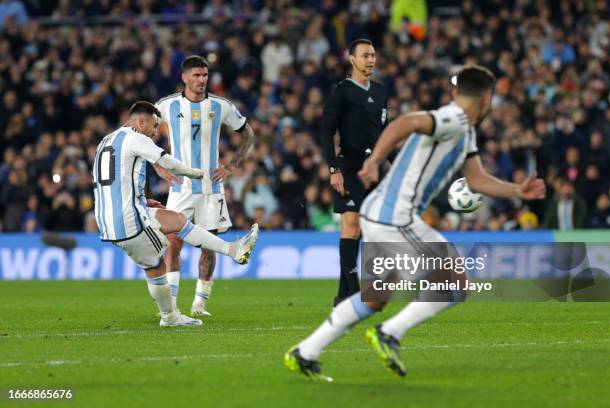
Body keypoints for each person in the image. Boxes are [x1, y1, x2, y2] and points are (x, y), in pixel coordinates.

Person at [285, 65, 546, 381]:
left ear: (455, 92)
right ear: (487, 98)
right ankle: (390, 333)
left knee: (377, 295)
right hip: (395, 217)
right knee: (456, 283)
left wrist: (517, 190)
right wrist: (373, 160)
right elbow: (406, 122)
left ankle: (305, 352)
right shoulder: (455, 118)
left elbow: (476, 179)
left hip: (383, 213)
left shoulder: (465, 131)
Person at [93, 101, 259, 327]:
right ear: (141, 121)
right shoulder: (135, 137)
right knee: (156, 267)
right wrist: (194, 173)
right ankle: (170, 317)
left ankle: (234, 250)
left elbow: (110, 183)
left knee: (178, 221)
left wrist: (141, 200)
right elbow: (166, 160)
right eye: (154, 126)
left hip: (110, 218)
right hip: (127, 220)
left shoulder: (106, 141)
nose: (155, 132)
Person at [155, 56, 255, 317]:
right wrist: (158, 165)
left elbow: (248, 133)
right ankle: (172, 304)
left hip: (211, 189)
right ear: (184, 77)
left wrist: (231, 165)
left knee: (209, 246)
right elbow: (141, 133)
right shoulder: (167, 105)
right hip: (180, 188)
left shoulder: (220, 106)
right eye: (197, 75)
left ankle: (199, 304)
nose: (202, 80)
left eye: (205, 75)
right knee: (174, 243)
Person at [320, 38, 388, 306]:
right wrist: (333, 169)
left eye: (373, 55)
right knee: (351, 225)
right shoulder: (341, 91)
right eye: (365, 55)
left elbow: (385, 134)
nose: (370, 60)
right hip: (349, 164)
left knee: (365, 230)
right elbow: (326, 132)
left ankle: (343, 297)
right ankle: (355, 291)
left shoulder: (381, 92)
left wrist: (391, 166)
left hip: (374, 167)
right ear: (352, 59)